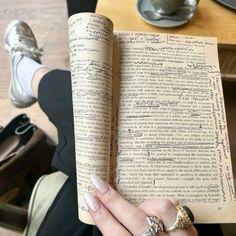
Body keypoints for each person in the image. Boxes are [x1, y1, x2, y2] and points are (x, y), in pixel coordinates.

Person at [3, 19, 222, 236]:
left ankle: (28, 74)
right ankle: (30, 76)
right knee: (110, 113)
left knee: (89, 108)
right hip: (189, 220)